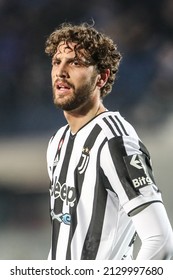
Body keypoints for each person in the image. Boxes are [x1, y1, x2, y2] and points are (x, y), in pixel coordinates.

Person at [45, 22, 173, 260]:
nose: (61, 71)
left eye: (75, 62)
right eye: (56, 61)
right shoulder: (58, 141)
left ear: (101, 78)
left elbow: (161, 241)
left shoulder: (115, 140)